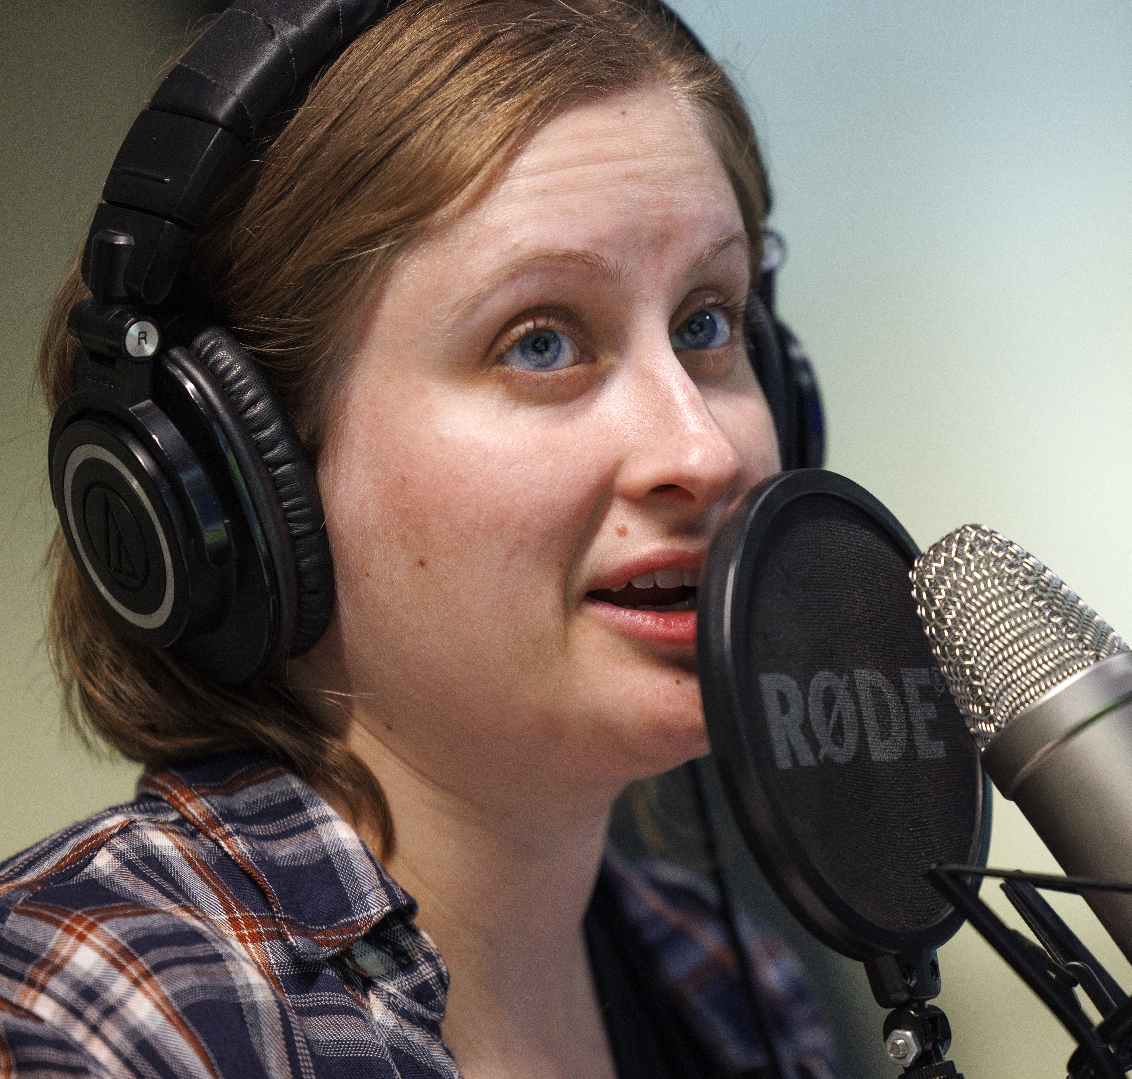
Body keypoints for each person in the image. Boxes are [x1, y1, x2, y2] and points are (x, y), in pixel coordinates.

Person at [0, 1, 842, 1077]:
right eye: (541, 339)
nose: (705, 453)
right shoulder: (89, 1014)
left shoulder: (732, 982)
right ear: (248, 472)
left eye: (706, 323)